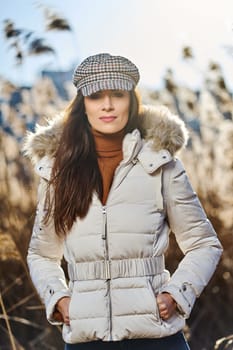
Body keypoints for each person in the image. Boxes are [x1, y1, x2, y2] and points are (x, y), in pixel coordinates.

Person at [23, 53, 222, 350]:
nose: (107, 105)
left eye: (117, 94)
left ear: (131, 100)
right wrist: (59, 299)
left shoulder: (161, 165)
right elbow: (41, 253)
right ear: (83, 104)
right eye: (95, 96)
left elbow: (204, 244)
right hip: (86, 339)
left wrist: (176, 295)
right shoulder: (56, 172)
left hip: (157, 338)